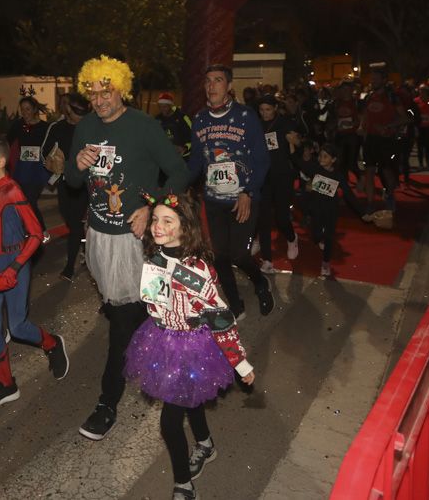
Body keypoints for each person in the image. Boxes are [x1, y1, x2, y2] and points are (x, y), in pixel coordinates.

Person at [64, 55, 188, 441]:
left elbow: (182, 171)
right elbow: (69, 180)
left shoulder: (144, 126)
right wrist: (78, 165)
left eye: (107, 91)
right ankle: (151, 340)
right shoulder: (84, 126)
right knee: (129, 311)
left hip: (139, 242)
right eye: (93, 93)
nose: (99, 101)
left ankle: (107, 403)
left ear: (122, 89)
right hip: (101, 239)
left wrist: (152, 206)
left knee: (122, 323)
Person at [124, 192, 254, 500]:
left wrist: (241, 363)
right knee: (190, 397)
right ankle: (206, 445)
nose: (157, 226)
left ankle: (183, 484)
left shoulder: (192, 270)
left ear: (186, 227)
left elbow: (220, 317)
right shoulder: (155, 257)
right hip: (161, 339)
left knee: (170, 421)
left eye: (168, 221)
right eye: (155, 219)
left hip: (192, 347)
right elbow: (155, 299)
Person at [0, 135, 69, 411]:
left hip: (15, 260)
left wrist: (14, 268)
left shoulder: (12, 191)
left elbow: (37, 234)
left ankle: (51, 344)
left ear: (0, 162)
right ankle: (6, 385)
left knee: (17, 327)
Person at [188, 65, 274, 320]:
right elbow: (195, 163)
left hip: (242, 199)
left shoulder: (246, 116)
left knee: (238, 253)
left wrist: (248, 191)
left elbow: (262, 160)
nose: (211, 85)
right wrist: (173, 185)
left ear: (228, 86)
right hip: (214, 200)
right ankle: (235, 305)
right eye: (207, 81)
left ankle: (260, 283)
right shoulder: (200, 119)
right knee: (219, 255)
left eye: (218, 80)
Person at [288, 140, 366, 279]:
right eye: (320, 156)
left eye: (325, 156)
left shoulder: (338, 176)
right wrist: (291, 144)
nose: (321, 159)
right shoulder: (315, 170)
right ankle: (320, 239)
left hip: (331, 210)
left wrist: (363, 213)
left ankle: (325, 263)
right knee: (316, 235)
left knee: (329, 237)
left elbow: (349, 195)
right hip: (316, 209)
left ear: (333, 159)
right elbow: (298, 162)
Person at [41, 92, 91, 280]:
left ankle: (69, 266)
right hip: (63, 182)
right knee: (71, 221)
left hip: (86, 182)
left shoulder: (91, 126)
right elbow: (44, 152)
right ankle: (85, 248)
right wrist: (52, 162)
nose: (81, 116)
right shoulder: (57, 127)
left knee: (76, 224)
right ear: (68, 109)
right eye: (76, 111)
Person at [254, 96, 299, 274]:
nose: (265, 113)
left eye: (268, 110)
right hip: (263, 176)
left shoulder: (284, 123)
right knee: (263, 217)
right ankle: (267, 260)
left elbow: (298, 142)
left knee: (281, 217)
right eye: (262, 110)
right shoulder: (257, 124)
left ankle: (291, 237)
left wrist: (294, 140)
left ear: (275, 108)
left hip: (282, 176)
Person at [359, 68, 409, 222]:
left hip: (387, 140)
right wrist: (362, 127)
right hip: (370, 140)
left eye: (376, 78)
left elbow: (405, 118)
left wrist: (388, 127)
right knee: (369, 171)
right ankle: (370, 203)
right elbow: (366, 115)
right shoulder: (368, 96)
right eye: (371, 78)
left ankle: (389, 196)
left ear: (383, 80)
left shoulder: (392, 96)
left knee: (387, 170)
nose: (372, 81)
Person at [6, 96, 50, 238]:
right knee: (22, 201)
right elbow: (6, 142)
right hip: (23, 168)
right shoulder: (18, 125)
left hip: (38, 170)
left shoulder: (45, 127)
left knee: (30, 199)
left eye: (28, 109)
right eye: (22, 109)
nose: (25, 113)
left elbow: (52, 148)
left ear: (35, 109)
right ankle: (27, 230)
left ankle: (41, 230)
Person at [155, 92, 193, 158]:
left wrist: (184, 148)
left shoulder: (182, 118)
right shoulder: (157, 119)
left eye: (165, 107)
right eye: (160, 107)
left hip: (183, 157)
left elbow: (194, 136)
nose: (162, 109)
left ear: (171, 105)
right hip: (165, 157)